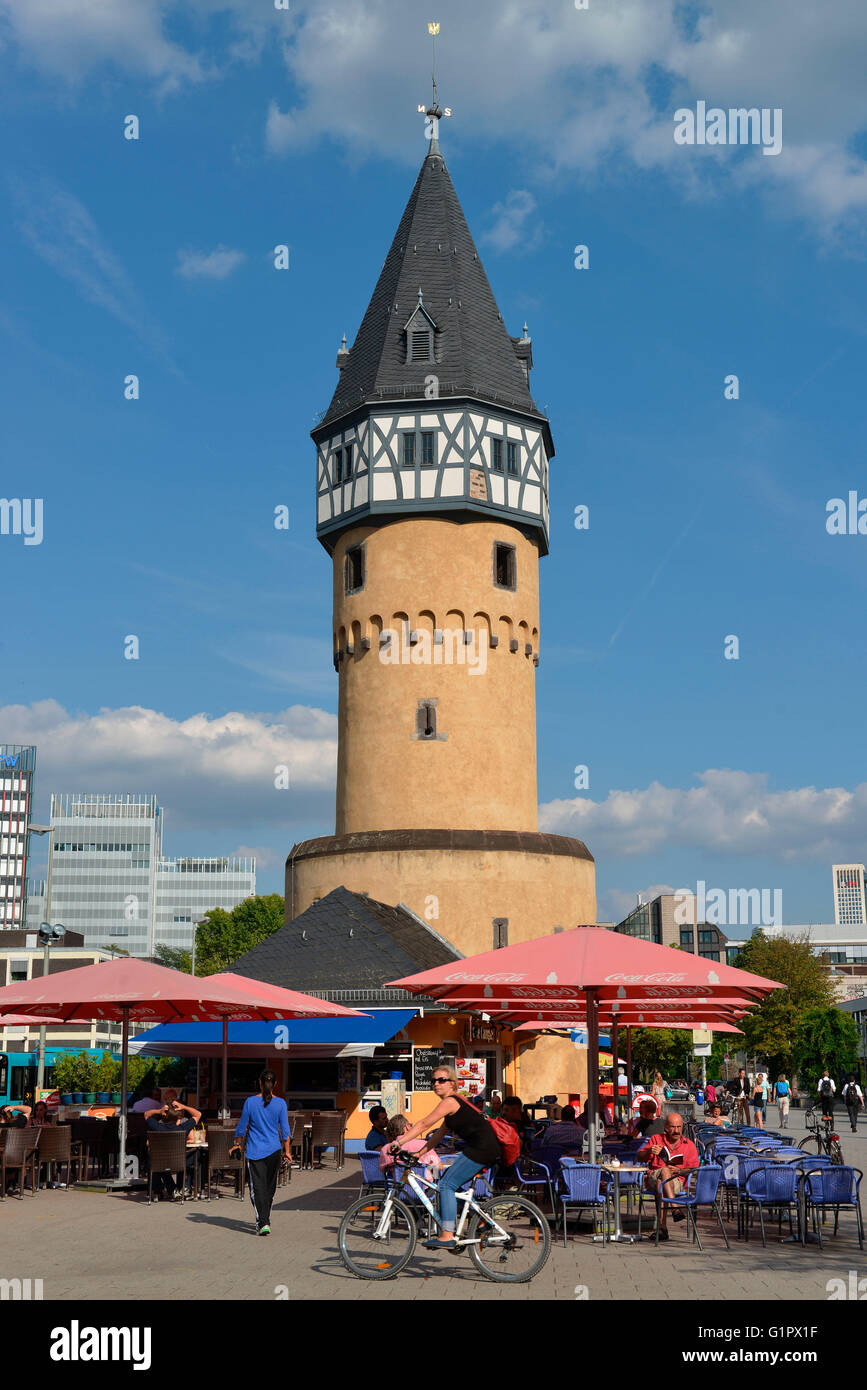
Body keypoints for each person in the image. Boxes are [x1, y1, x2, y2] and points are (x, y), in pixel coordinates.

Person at [386, 1064, 501, 1251]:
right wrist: (418, 1154)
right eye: (433, 1081)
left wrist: (399, 1142)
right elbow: (437, 1137)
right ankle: (481, 1220)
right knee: (449, 1184)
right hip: (482, 1148)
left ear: (452, 1084)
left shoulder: (450, 1102)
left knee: (446, 1184)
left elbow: (423, 1124)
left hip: (482, 1148)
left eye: (441, 1080)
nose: (436, 1084)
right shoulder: (453, 1108)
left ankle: (447, 1234)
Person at [229, 1069, 291, 1236]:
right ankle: (265, 1220)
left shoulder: (250, 1102)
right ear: (275, 1084)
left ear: (260, 1082)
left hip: (255, 1151)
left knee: (258, 1188)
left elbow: (242, 1126)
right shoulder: (281, 1103)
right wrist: (288, 1152)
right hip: (274, 1151)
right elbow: (285, 1131)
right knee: (269, 1188)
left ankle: (262, 1221)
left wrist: (237, 1144)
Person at [636, 1111, 700, 1241]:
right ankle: (675, 1208)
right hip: (653, 1178)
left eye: (679, 1127)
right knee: (664, 1171)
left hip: (677, 1181)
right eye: (673, 1127)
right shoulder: (656, 1139)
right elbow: (639, 1157)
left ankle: (662, 1229)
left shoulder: (689, 1145)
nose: (676, 1131)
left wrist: (678, 1170)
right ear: (666, 1127)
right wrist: (649, 1151)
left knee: (662, 1183)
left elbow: (695, 1170)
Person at [145, 1098, 203, 1200]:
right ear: (177, 1118)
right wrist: (184, 1106)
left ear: (164, 1116)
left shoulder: (157, 1127)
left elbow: (146, 1114)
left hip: (161, 1162)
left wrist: (159, 1111)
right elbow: (198, 1114)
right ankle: (183, 1187)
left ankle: (170, 1189)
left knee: (153, 1157)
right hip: (179, 1161)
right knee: (196, 1155)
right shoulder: (182, 1128)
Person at [378, 1114, 442, 1180]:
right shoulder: (424, 1145)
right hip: (424, 1188)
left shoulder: (387, 1149)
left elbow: (383, 1170)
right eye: (411, 1125)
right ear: (407, 1127)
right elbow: (439, 1167)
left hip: (400, 1186)